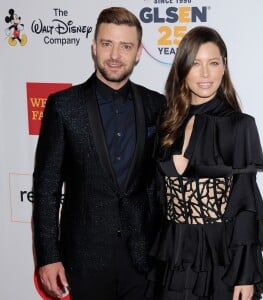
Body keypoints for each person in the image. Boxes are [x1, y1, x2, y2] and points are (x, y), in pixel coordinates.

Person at [32, 7, 165, 300]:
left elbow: (162, 184)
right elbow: (46, 188)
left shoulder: (158, 106)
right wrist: (48, 255)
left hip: (144, 260)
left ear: (138, 53)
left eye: (125, 46)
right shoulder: (64, 106)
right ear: (94, 47)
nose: (115, 55)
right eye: (107, 44)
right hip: (84, 259)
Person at [146, 26, 263, 300]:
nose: (204, 74)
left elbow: (246, 206)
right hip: (173, 255)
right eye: (195, 63)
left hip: (220, 260)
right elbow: (155, 198)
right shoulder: (166, 123)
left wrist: (245, 276)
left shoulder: (240, 126)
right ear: (182, 68)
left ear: (223, 67)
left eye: (213, 63)